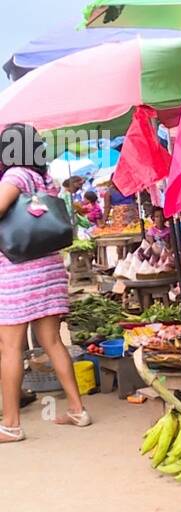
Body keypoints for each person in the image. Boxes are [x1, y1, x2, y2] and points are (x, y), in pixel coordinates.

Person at [0, 124, 91, 442]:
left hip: (20, 271)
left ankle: (10, 424)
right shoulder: (45, 179)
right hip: (49, 268)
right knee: (52, 342)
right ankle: (78, 410)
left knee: (9, 348)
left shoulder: (16, 176)